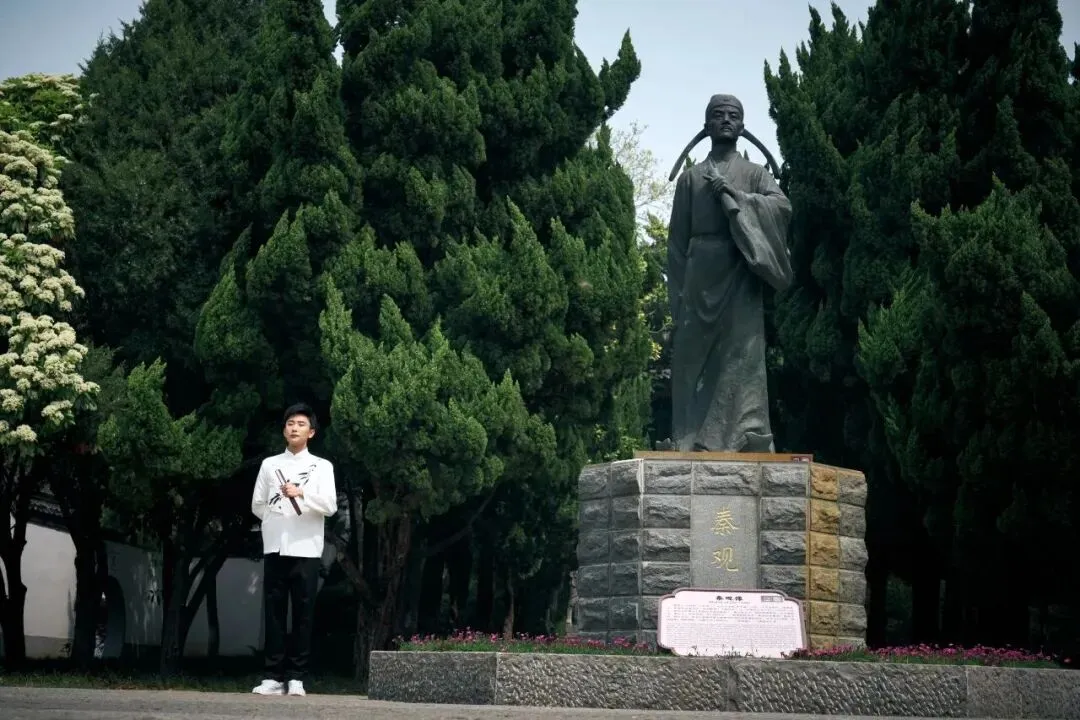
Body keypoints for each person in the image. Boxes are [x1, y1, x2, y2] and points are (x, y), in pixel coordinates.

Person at [666, 94, 793, 452]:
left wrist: (737, 196)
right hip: (699, 275)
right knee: (691, 356)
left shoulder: (755, 174)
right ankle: (686, 436)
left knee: (743, 355)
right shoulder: (690, 179)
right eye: (718, 115)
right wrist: (677, 295)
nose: (726, 120)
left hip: (740, 271)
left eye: (733, 115)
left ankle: (744, 433)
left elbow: (782, 207)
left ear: (742, 125)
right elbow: (676, 244)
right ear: (707, 125)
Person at [250, 403, 338, 696]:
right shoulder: (270, 465)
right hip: (275, 546)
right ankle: (272, 677)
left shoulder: (322, 466)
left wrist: (302, 493)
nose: (294, 428)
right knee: (274, 612)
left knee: (303, 614)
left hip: (306, 548)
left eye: (301, 424)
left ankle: (297, 677)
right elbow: (258, 504)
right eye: (290, 423)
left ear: (311, 432)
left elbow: (330, 506)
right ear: (284, 430)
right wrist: (276, 520)